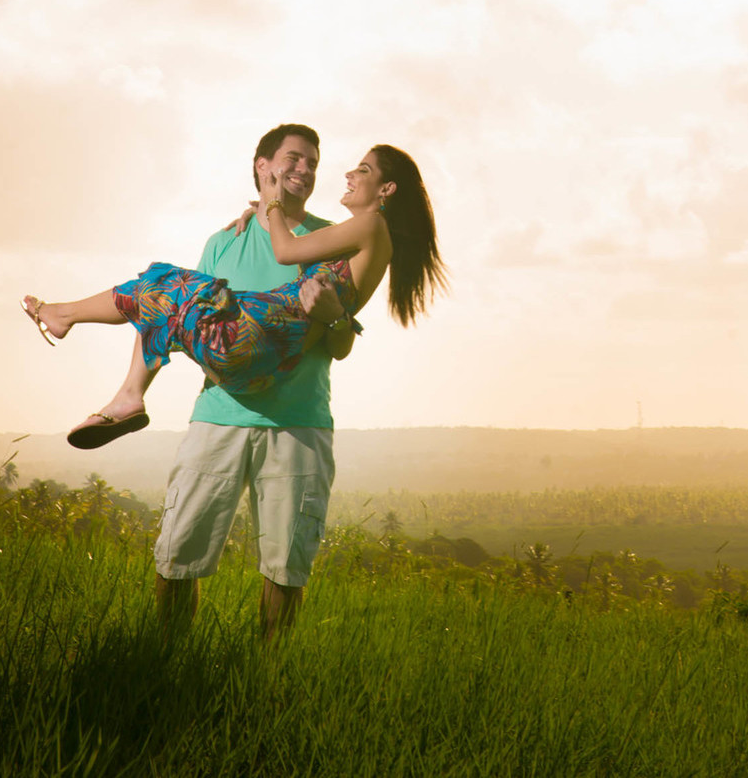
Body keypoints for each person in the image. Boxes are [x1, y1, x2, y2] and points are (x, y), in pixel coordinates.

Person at [24, 125, 446, 636]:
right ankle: (123, 391)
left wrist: (281, 226)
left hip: (292, 414)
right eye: (295, 159)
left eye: (316, 163)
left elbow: (335, 336)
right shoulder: (227, 241)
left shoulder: (340, 234)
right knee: (178, 555)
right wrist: (264, 216)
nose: (311, 170)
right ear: (263, 166)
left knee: (285, 568)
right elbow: (181, 316)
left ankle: (93, 353)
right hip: (224, 404)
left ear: (386, 189)